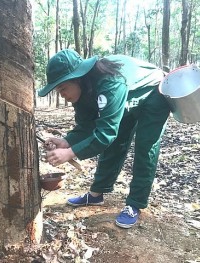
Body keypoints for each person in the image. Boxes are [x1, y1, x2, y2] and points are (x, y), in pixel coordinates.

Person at [38, 49, 170, 228]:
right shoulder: (82, 92)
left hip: (154, 93)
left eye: (63, 88)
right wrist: (67, 141)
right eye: (58, 90)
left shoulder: (110, 82)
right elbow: (85, 126)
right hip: (125, 100)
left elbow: (104, 134)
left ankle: (135, 204)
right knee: (114, 144)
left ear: (78, 78)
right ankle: (96, 194)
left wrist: (70, 153)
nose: (62, 95)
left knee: (146, 149)